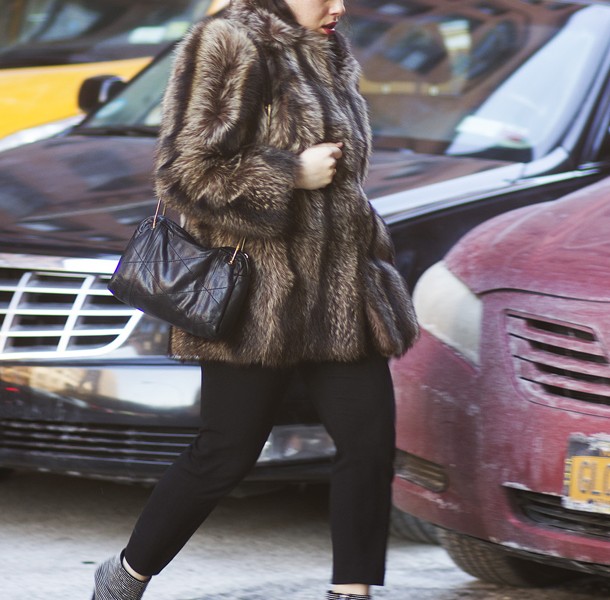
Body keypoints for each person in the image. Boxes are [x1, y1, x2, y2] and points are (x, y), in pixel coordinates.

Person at [92, 0, 418, 598]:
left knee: (369, 445)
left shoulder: (327, 51)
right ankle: (125, 575)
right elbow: (184, 172)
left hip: (340, 296)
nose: (340, 6)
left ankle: (351, 591)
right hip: (255, 302)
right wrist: (288, 173)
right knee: (227, 452)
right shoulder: (228, 42)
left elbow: (344, 184)